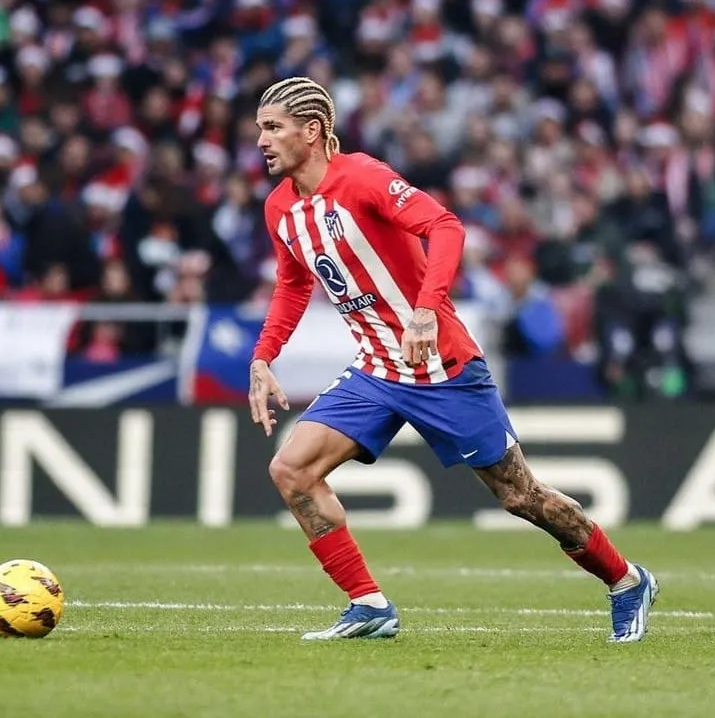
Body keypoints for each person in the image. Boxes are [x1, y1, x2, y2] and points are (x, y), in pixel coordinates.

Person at [248, 77, 658, 642]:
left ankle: (626, 580)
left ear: (312, 131)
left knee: (521, 496)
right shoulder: (280, 209)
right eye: (260, 130)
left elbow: (445, 225)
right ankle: (369, 605)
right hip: (376, 368)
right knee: (291, 470)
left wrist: (424, 310)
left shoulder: (364, 178)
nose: (262, 141)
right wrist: (264, 356)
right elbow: (293, 285)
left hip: (443, 367)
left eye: (273, 128)